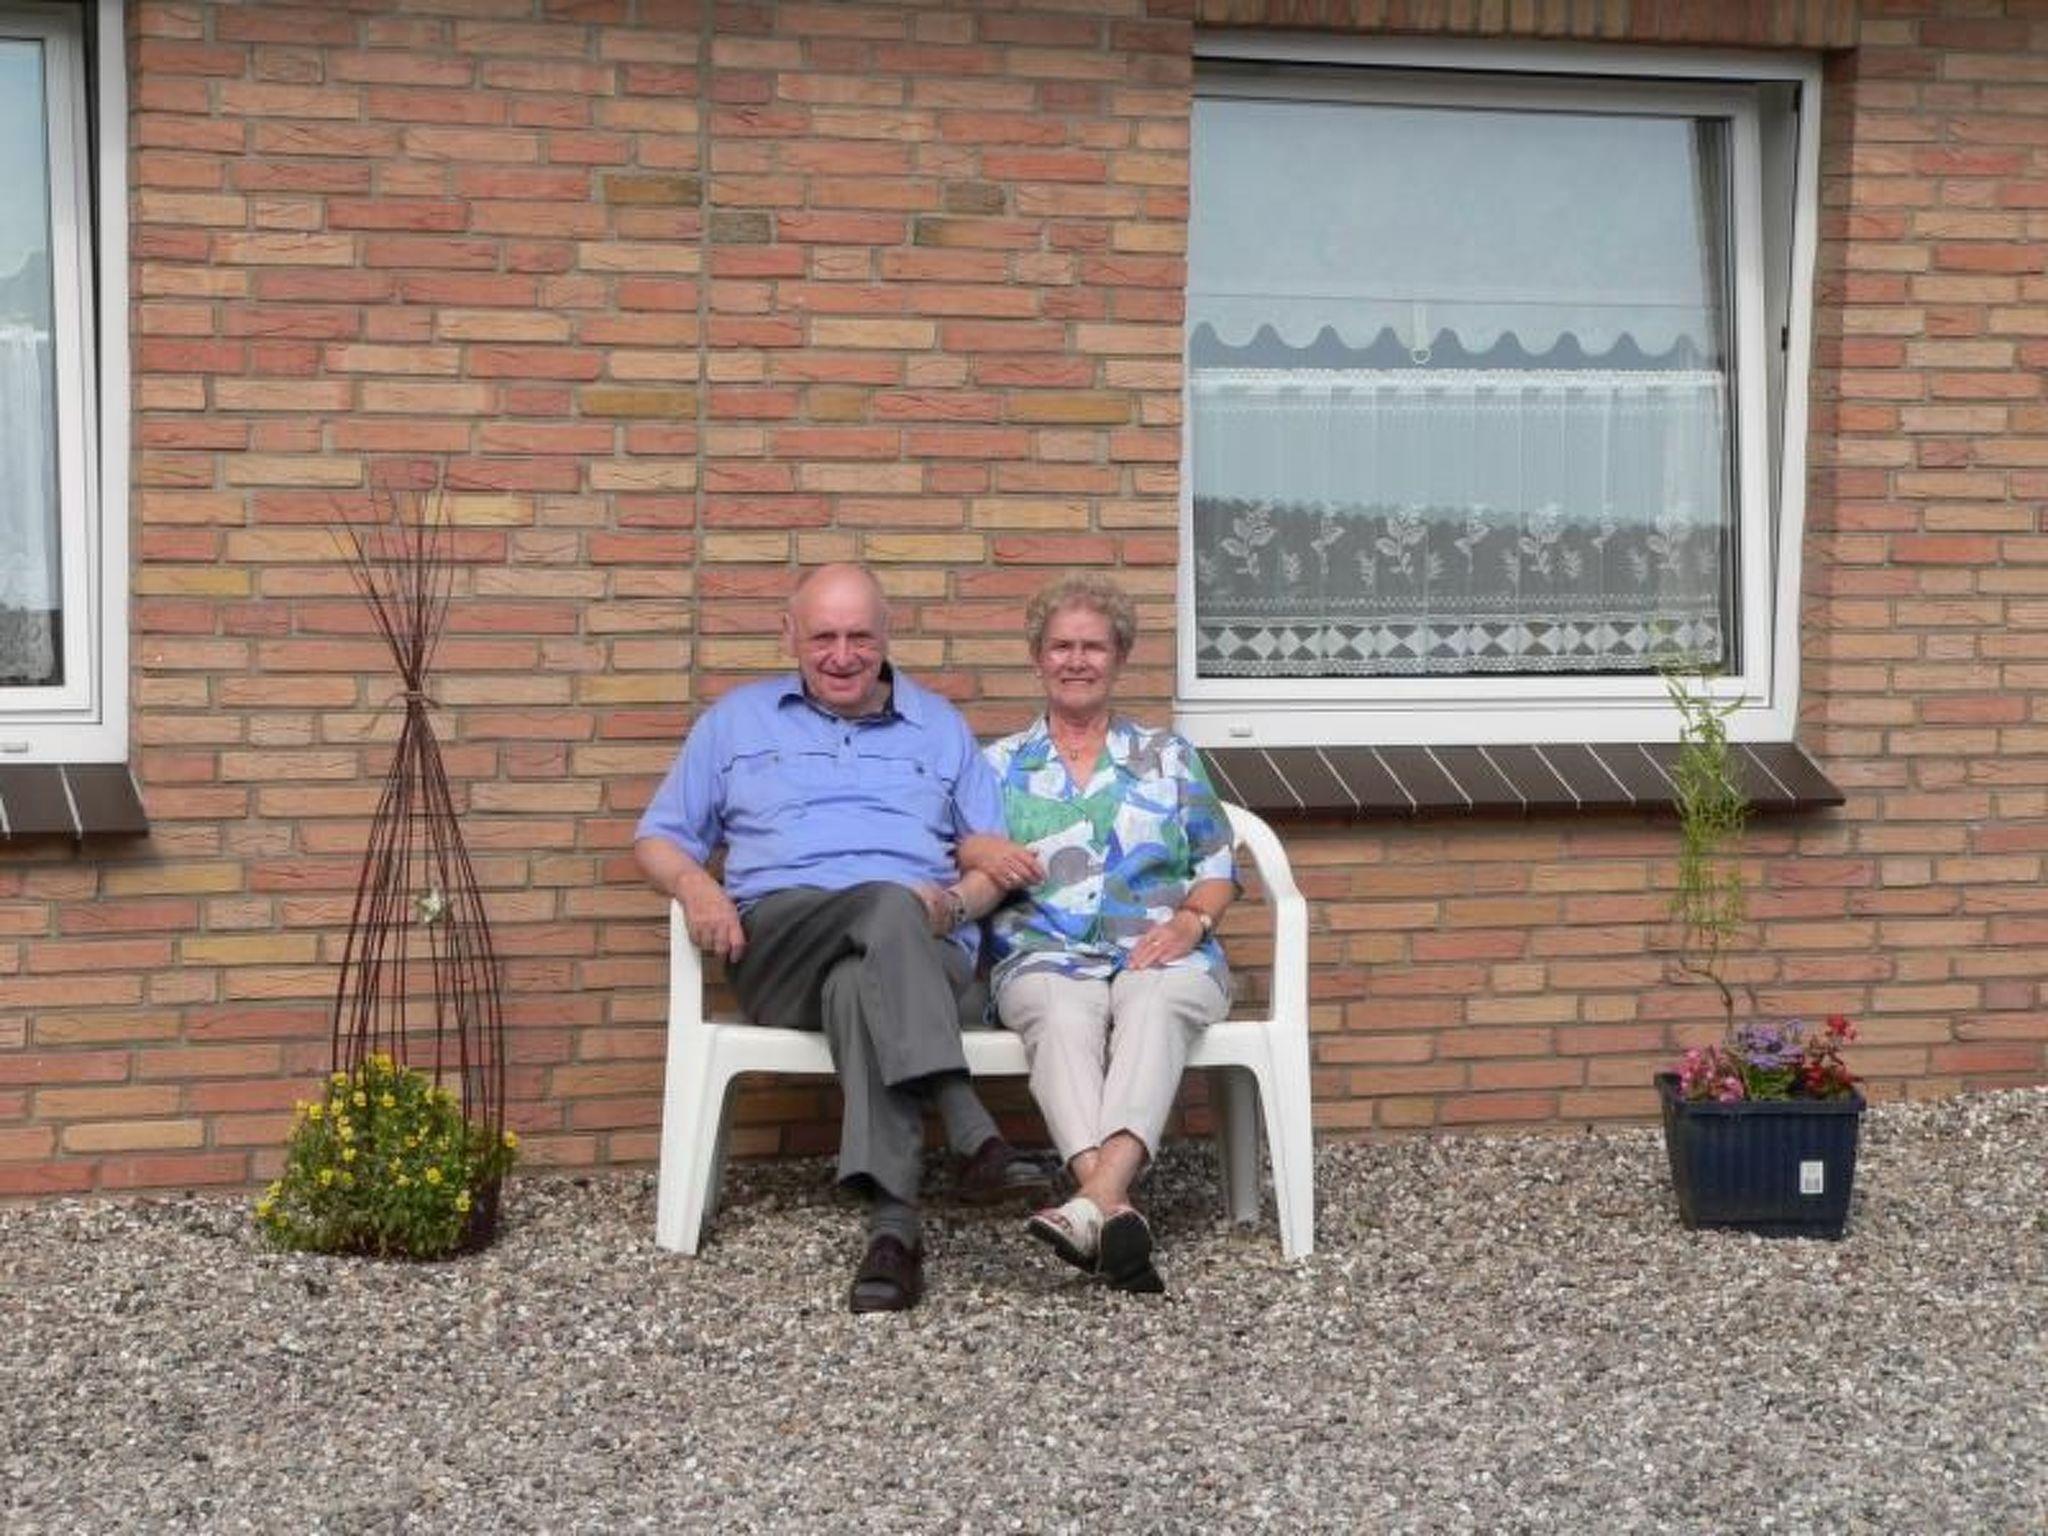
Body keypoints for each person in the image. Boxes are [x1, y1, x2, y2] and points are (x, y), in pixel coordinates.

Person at [634, 563, 1047, 1314]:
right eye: (823, 636)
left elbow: (994, 865)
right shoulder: (736, 722)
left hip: (920, 952)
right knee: (886, 903)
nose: (843, 654)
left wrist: (954, 907)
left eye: (861, 636)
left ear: (888, 635)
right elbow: (658, 837)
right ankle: (968, 1125)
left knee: (862, 978)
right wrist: (696, 886)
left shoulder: (940, 727)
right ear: (788, 636)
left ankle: (893, 1231)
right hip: (782, 944)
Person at [964, 574, 1236, 1294]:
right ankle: (1111, 1205)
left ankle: (1089, 1204)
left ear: (1120, 658)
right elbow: (958, 848)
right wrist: (980, 850)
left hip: (1160, 947)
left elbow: (1218, 869)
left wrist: (1191, 921)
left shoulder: (1168, 756)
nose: (1076, 661)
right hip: (1042, 950)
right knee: (1058, 1014)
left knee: (1155, 1000)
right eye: (1061, 647)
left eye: (1093, 647)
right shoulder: (996, 766)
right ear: (1037, 657)